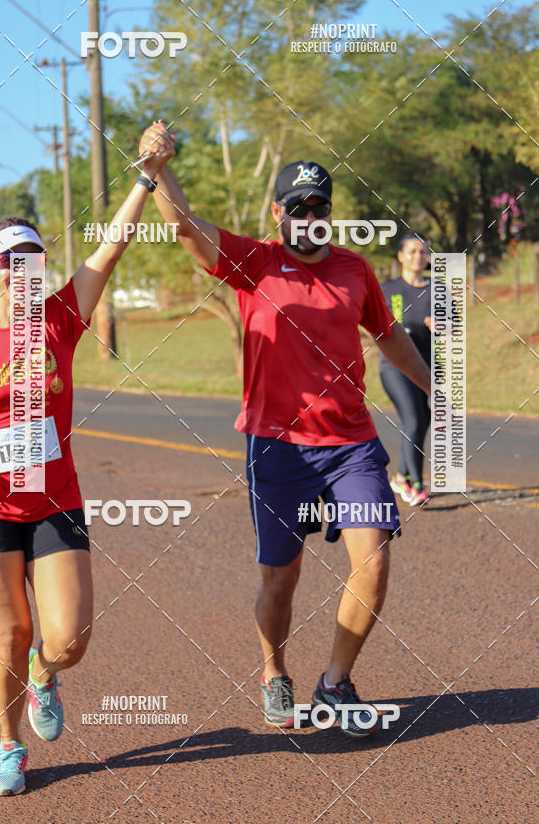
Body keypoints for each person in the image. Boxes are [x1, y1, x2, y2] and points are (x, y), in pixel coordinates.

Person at [139, 121, 431, 734]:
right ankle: (274, 673)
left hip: (351, 444)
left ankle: (335, 681)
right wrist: (161, 171)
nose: (309, 216)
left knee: (373, 561)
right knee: (281, 576)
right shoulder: (254, 261)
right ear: (279, 213)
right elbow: (184, 229)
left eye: (319, 206)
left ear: (330, 212)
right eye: (297, 206)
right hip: (278, 448)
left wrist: (439, 389)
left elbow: (390, 336)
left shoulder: (355, 272)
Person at [0, 151, 165, 796]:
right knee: (7, 632)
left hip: (53, 501)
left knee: (66, 641)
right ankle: (8, 745)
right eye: (10, 262)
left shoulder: (59, 321)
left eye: (33, 261)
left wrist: (144, 179)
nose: (22, 273)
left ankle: (45, 672)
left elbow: (110, 252)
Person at [380, 234, 432, 507]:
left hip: (426, 370)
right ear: (400, 256)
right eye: (412, 251)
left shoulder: (438, 290)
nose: (418, 257)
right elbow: (387, 325)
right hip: (396, 366)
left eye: (423, 252)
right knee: (413, 420)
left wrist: (443, 327)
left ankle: (401, 476)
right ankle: (416, 483)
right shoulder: (389, 289)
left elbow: (456, 327)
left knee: (422, 422)